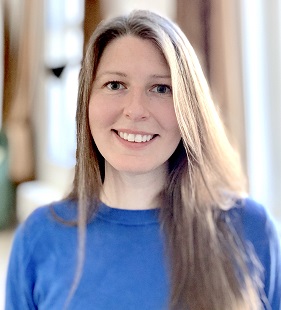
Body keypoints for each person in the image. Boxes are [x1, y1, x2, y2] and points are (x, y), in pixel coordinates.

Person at [5, 9, 281, 310]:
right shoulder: (38, 239)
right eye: (115, 85)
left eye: (161, 88)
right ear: (86, 101)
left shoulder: (251, 229)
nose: (135, 110)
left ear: (188, 110)